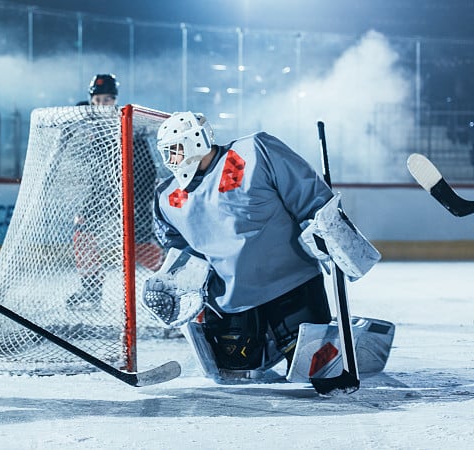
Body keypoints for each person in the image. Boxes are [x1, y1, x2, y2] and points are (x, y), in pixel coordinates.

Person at [141, 111, 380, 381]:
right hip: (230, 301)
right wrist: (176, 281)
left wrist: (327, 229)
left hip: (291, 286)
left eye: (174, 151)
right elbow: (180, 250)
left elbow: (309, 196)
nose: (170, 161)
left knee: (315, 368)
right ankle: (271, 344)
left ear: (195, 141)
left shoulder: (254, 151)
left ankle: (346, 339)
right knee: (232, 371)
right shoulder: (166, 197)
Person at [67, 73, 163, 309]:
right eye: (97, 100)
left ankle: (175, 282)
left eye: (107, 100)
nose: (101, 105)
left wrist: (138, 202)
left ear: (115, 100)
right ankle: (90, 289)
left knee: (140, 248)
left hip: (133, 192)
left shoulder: (129, 125)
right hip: (100, 192)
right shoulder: (90, 123)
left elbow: (145, 169)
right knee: (83, 233)